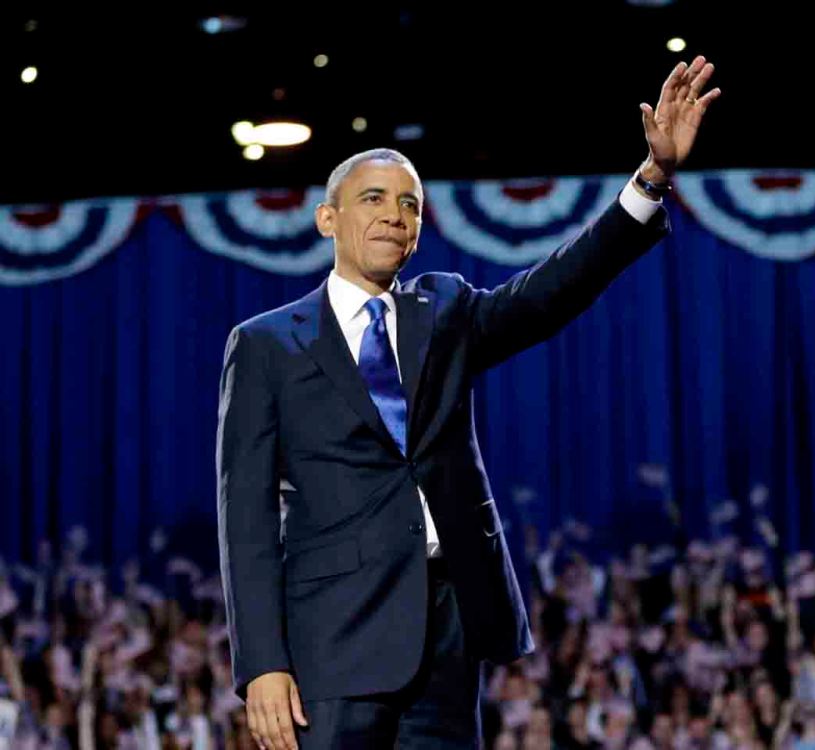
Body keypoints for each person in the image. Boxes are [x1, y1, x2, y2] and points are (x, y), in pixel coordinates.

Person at [216, 55, 721, 749]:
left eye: (410, 204)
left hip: (447, 636)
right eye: (374, 199)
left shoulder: (444, 312)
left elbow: (552, 292)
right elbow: (243, 517)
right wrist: (262, 665)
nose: (395, 215)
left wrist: (651, 180)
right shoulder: (267, 343)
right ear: (327, 217)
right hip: (330, 644)